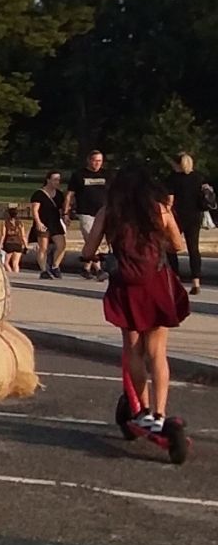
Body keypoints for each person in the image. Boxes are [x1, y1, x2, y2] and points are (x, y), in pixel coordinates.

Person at [80, 169, 189, 432]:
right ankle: (160, 414)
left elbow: (87, 250)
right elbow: (178, 245)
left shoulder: (109, 212)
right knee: (158, 352)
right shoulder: (159, 209)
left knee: (133, 350)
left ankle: (142, 410)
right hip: (157, 282)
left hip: (125, 286)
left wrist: (97, 256)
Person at [67, 149, 109, 279]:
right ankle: (99, 270)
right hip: (86, 213)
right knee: (91, 238)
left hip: (103, 213)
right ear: (89, 160)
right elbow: (70, 194)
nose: (97, 163)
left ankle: (86, 268)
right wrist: (66, 211)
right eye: (95, 160)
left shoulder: (108, 175)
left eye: (100, 161)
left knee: (99, 242)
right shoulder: (79, 175)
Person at [168, 152, 205, 295]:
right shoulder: (198, 177)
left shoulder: (172, 179)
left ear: (177, 164)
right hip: (195, 216)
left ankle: (175, 278)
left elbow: (169, 200)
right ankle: (196, 282)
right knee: (193, 249)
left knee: (171, 248)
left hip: (177, 216)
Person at [30, 170, 66, 280]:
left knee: (62, 245)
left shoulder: (59, 194)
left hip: (55, 222)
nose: (57, 182)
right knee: (43, 247)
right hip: (43, 222)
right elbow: (35, 210)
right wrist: (38, 222)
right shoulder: (39, 194)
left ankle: (55, 266)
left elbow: (61, 209)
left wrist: (65, 217)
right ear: (48, 180)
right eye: (55, 179)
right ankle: (43, 270)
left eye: (58, 180)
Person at [0, 201, 27, 276]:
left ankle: (11, 274)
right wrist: (26, 245)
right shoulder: (20, 223)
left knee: (6, 263)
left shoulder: (5, 222)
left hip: (9, 244)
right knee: (16, 263)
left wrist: (0, 245)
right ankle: (17, 275)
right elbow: (23, 235)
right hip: (18, 243)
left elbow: (3, 235)